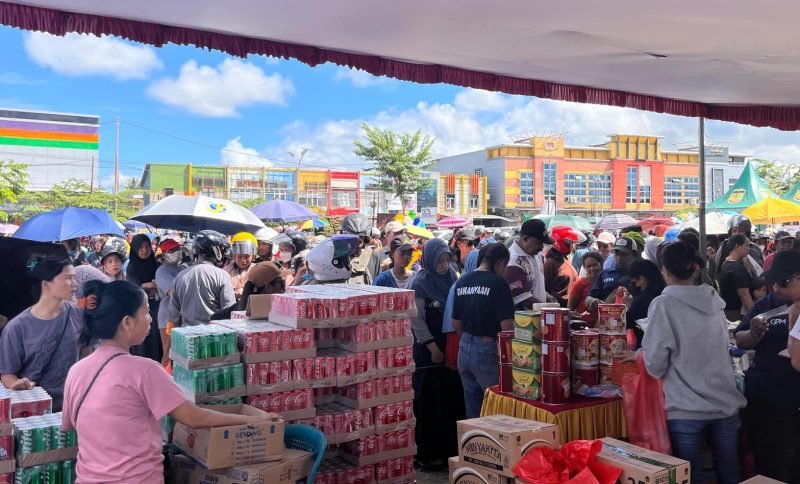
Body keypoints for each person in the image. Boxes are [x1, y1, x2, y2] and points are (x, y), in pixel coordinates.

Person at [62, 280, 276, 483]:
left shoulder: (76, 371)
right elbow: (193, 417)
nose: (151, 319)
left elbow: (70, 426)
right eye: (145, 313)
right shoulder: (144, 371)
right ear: (127, 322)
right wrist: (252, 421)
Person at [640, 241, 746, 484]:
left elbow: (655, 365)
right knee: (730, 473)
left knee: (692, 476)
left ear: (665, 271)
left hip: (685, 408)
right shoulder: (713, 300)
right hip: (725, 402)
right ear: (695, 268)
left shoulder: (664, 304)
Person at [735, 250, 800, 482]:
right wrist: (753, 333)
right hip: (768, 399)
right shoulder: (766, 305)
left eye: (783, 282)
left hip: (794, 400)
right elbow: (740, 338)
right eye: (773, 282)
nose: (776, 287)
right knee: (770, 465)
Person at [409, 238, 464, 471]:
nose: (443, 264)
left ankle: (449, 450)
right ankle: (428, 455)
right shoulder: (420, 282)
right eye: (439, 260)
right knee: (429, 403)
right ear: (429, 259)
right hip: (428, 352)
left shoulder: (451, 276)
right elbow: (416, 320)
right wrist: (432, 347)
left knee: (451, 401)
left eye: (446, 259)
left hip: (449, 350)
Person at [0, 255, 82, 411]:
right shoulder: (17, 328)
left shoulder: (78, 315)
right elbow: (8, 375)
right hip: (37, 410)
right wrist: (17, 385)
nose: (75, 284)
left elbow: (86, 352)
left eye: (75, 278)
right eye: (68, 278)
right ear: (46, 284)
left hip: (74, 404)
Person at [452, 244, 515, 417]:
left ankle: (474, 442)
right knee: (497, 408)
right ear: (501, 263)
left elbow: (456, 321)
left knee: (473, 410)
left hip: (464, 349)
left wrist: (468, 340)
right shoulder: (499, 284)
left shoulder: (462, 280)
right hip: (488, 350)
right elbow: (507, 327)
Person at [169, 230, 235, 327]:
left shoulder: (180, 277)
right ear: (216, 250)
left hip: (186, 336)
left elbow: (173, 316)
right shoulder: (222, 276)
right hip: (214, 336)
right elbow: (229, 311)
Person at [126, 234, 162, 363]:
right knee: (143, 342)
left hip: (157, 307)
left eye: (147, 247)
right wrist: (148, 286)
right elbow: (132, 289)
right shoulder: (132, 267)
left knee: (157, 339)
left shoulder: (157, 264)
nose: (144, 250)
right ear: (135, 249)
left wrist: (147, 285)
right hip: (140, 309)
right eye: (140, 247)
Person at [505, 219, 555, 309]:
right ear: (525, 238)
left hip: (539, 315)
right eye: (539, 243)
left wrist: (546, 296)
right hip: (523, 320)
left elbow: (535, 285)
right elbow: (523, 299)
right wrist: (550, 310)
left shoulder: (537, 254)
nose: (542, 247)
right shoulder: (513, 262)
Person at [212, 261, 285, 320]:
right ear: (268, 287)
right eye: (280, 282)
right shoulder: (238, 311)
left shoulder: (241, 306)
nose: (283, 287)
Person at [621, 259, 665, 349]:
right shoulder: (664, 294)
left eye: (633, 282)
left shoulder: (641, 299)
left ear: (641, 279)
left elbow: (625, 323)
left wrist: (628, 306)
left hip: (646, 350)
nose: (633, 286)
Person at [154, 238, 185, 365]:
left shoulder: (184, 267)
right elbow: (173, 293)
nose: (176, 252)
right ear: (164, 255)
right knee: (169, 354)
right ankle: (162, 382)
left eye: (177, 249)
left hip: (182, 316)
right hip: (168, 318)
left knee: (181, 354)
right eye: (171, 250)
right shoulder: (162, 271)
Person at [587, 237, 638, 304]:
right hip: (607, 313)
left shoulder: (641, 275)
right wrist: (591, 301)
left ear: (634, 255)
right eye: (617, 254)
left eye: (624, 255)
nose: (619, 258)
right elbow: (590, 297)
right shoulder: (605, 273)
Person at [718, 234, 754, 321]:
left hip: (726, 311)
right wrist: (754, 313)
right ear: (737, 246)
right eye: (746, 245)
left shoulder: (725, 264)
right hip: (737, 313)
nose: (749, 248)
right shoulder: (737, 268)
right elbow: (744, 295)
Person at [543, 229, 579, 307]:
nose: (573, 247)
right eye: (570, 243)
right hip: (558, 307)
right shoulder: (550, 263)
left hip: (569, 305)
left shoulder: (565, 259)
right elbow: (544, 288)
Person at [567, 252, 603, 327]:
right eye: (588, 266)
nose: (592, 268)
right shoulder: (580, 284)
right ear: (584, 267)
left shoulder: (606, 282)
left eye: (595, 265)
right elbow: (570, 310)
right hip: (584, 328)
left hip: (604, 326)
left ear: (601, 264)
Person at [340, 213, 374, 284]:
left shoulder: (373, 257)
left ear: (366, 237)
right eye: (353, 237)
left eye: (361, 236)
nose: (358, 239)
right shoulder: (338, 258)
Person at [224, 232, 258, 301]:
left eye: (247, 256)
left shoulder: (258, 271)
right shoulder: (225, 271)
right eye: (239, 256)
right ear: (234, 256)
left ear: (253, 256)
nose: (243, 260)